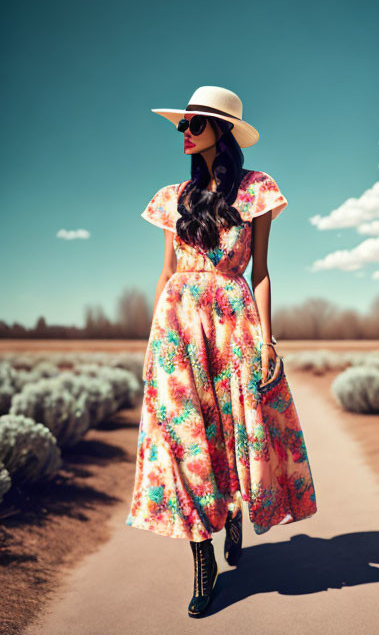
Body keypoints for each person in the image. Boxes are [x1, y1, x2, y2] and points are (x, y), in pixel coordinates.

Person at [127, 86, 317, 617]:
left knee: (232, 429)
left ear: (221, 130)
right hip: (178, 328)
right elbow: (167, 273)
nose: (184, 133)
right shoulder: (172, 198)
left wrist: (267, 342)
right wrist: (152, 343)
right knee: (184, 440)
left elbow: (260, 272)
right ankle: (202, 561)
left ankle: (233, 509)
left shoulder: (256, 190)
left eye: (194, 124)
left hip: (233, 322)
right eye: (181, 126)